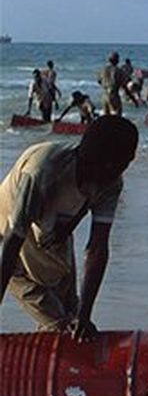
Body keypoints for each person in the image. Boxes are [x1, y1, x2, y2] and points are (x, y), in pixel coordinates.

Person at [0, 115, 138, 338]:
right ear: (108, 163)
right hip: (9, 240)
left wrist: (85, 315)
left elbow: (97, 248)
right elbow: (12, 239)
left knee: (74, 320)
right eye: (125, 162)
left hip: (54, 239)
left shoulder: (110, 182)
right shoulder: (43, 171)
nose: (125, 169)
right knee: (59, 326)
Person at [97, 51, 137, 115]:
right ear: (116, 60)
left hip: (104, 96)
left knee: (106, 118)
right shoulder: (118, 70)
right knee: (118, 116)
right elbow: (124, 86)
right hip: (114, 95)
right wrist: (133, 99)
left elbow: (99, 81)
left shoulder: (102, 70)